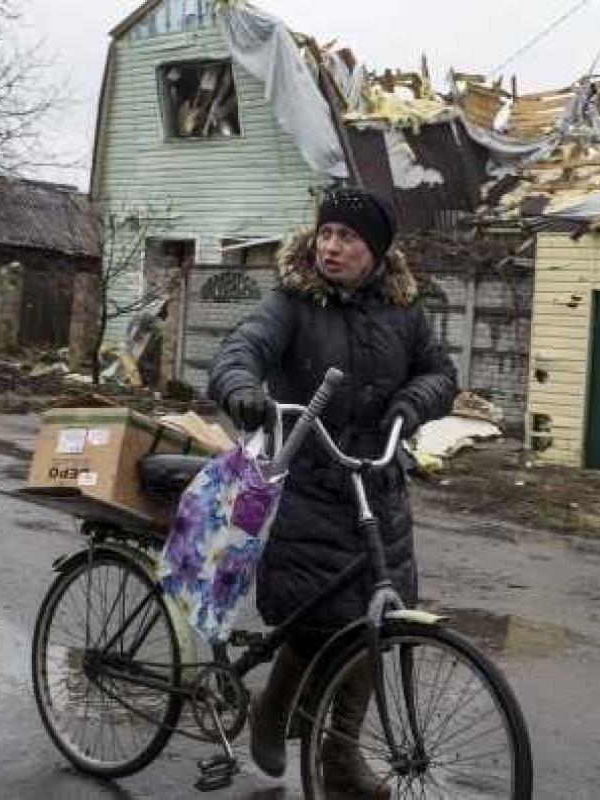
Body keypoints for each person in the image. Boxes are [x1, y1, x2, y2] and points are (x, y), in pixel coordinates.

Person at [208, 186, 457, 795]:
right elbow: (242, 348)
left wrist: (411, 403)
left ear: (374, 251)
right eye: (326, 234)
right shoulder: (293, 302)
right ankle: (280, 716)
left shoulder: (403, 308)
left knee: (378, 618)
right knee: (314, 617)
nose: (331, 246)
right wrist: (242, 389)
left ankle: (335, 755)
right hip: (315, 482)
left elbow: (440, 372)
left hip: (379, 486)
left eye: (346, 237)